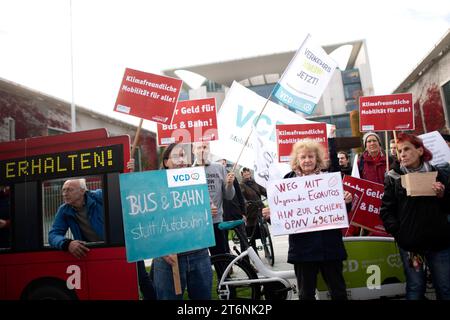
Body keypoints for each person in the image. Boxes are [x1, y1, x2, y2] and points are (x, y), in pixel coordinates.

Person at [263, 139, 352, 300]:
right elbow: (283, 217)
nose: (307, 160)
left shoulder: (329, 180)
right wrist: (271, 215)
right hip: (303, 250)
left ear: (317, 158)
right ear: (297, 160)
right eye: (303, 157)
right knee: (306, 294)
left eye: (310, 156)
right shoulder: (287, 181)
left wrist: (347, 201)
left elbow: (341, 211)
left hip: (329, 246)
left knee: (338, 291)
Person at [48, 178, 156, 300]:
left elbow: (126, 193)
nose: (65, 193)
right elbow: (53, 235)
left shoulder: (99, 196)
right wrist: (67, 244)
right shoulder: (64, 210)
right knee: (108, 281)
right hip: (97, 253)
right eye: (63, 190)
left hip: (123, 245)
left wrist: (129, 171)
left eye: (69, 190)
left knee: (141, 277)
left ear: (83, 190)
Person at [380, 133, 450, 300]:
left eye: (406, 149)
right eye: (399, 150)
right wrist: (400, 233)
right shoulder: (393, 177)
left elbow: (448, 206)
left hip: (438, 242)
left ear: (419, 151)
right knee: (415, 288)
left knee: (445, 287)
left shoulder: (438, 173)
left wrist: (442, 195)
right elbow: (386, 211)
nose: (402, 154)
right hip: (411, 245)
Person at [152, 143, 213, 300]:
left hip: (199, 254)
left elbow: (206, 207)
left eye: (184, 155)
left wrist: (209, 209)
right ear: (166, 162)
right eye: (177, 156)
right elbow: (147, 222)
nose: (182, 159)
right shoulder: (153, 186)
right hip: (167, 259)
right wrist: (162, 249)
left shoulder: (196, 181)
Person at [192, 142, 235, 256]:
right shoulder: (188, 171)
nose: (202, 150)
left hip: (217, 222)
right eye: (199, 147)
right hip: (197, 223)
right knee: (199, 260)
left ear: (209, 149)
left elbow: (229, 196)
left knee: (221, 258)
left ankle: (225, 274)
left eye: (205, 147)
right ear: (193, 150)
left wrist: (229, 185)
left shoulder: (219, 168)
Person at [217, 160, 249, 254]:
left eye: (224, 163)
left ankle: (246, 261)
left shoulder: (231, 176)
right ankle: (227, 262)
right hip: (222, 214)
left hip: (236, 212)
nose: (223, 165)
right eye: (220, 163)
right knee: (223, 242)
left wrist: (243, 212)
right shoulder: (215, 177)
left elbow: (239, 195)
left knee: (243, 239)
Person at [239, 167, 267, 250]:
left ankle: (266, 246)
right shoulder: (241, 185)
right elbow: (241, 196)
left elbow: (263, 190)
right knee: (251, 231)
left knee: (263, 227)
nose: (247, 174)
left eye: (248, 172)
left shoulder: (255, 183)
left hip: (259, 207)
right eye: (245, 173)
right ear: (242, 175)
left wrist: (269, 194)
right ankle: (254, 249)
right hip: (250, 209)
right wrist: (245, 202)